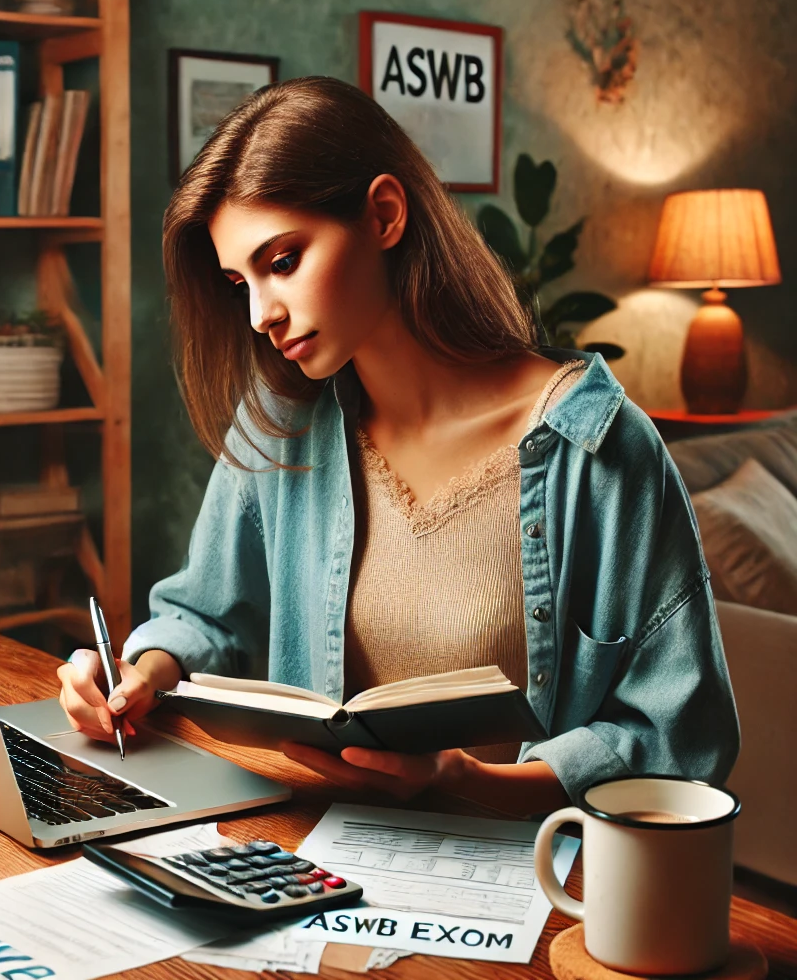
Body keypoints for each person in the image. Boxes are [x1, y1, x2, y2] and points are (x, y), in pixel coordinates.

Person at [57, 76, 739, 817]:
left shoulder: (596, 447)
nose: (260, 315)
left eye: (282, 261)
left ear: (384, 214)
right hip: (315, 856)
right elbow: (207, 617)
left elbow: (680, 739)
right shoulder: (279, 420)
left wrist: (470, 785)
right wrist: (138, 678)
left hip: (535, 883)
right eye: (238, 281)